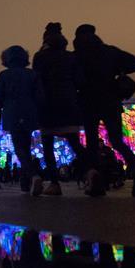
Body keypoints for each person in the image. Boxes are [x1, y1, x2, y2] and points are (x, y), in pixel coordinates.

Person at [73, 24, 135, 197]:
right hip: (110, 99)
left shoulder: (77, 56)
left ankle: (95, 180)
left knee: (91, 143)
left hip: (87, 101)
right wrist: (118, 70)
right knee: (116, 140)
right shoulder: (109, 51)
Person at [32, 22, 88, 196]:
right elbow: (80, 81)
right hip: (69, 103)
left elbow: (36, 80)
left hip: (47, 105)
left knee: (48, 146)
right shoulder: (71, 57)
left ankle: (55, 183)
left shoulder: (40, 57)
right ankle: (92, 171)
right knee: (75, 143)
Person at [0, 45, 42, 194]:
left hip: (12, 114)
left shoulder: (4, 75)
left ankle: (32, 176)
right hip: (30, 114)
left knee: (19, 148)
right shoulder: (33, 74)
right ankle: (26, 182)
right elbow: (40, 97)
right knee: (26, 146)